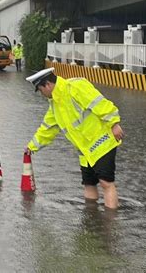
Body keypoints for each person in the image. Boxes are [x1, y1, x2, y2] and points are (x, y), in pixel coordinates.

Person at [24, 67, 124, 209]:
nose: (41, 94)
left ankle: (110, 224)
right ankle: (91, 218)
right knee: (89, 184)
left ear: (47, 85)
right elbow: (47, 129)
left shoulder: (76, 86)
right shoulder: (55, 104)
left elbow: (99, 103)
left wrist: (114, 123)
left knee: (106, 182)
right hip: (86, 151)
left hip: (103, 143)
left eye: (40, 90)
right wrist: (31, 147)